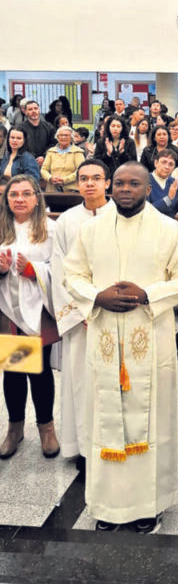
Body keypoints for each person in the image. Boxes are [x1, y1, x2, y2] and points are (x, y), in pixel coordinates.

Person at [63, 163, 178, 534]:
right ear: (110, 186)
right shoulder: (91, 231)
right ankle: (106, 507)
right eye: (119, 183)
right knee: (104, 419)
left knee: (152, 421)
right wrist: (96, 296)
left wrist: (148, 294)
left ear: (146, 187)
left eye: (133, 183)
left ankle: (147, 507)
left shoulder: (167, 230)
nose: (125, 189)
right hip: (104, 336)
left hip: (149, 338)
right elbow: (72, 275)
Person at [52, 159, 111, 472]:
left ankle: (111, 443)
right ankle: (83, 446)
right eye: (84, 178)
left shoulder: (120, 216)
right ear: (77, 183)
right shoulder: (67, 221)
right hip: (79, 319)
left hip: (113, 316)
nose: (90, 184)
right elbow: (60, 269)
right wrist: (80, 310)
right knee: (81, 384)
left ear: (107, 183)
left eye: (96, 178)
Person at [0, 175, 60, 460]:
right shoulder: (1, 227)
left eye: (26, 194)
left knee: (39, 369)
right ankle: (14, 428)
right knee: (13, 369)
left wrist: (31, 270)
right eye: (14, 195)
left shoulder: (50, 228)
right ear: (7, 199)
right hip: (9, 310)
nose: (20, 199)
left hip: (39, 310)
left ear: (37, 198)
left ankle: (46, 428)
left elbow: (60, 268)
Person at [41, 125, 85, 193]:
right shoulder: (51, 152)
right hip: (52, 191)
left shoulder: (78, 152)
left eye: (66, 135)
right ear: (57, 137)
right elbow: (44, 170)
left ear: (71, 138)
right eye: (61, 135)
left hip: (72, 191)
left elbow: (80, 171)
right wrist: (50, 178)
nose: (63, 137)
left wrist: (64, 180)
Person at [94, 116, 138, 180]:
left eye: (118, 126)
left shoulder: (129, 142)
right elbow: (96, 163)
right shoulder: (101, 142)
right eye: (113, 126)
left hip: (125, 176)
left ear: (122, 128)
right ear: (108, 127)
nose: (115, 129)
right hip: (106, 177)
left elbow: (133, 163)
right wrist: (108, 154)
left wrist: (122, 152)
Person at [148, 151, 178, 218]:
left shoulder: (174, 182)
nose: (167, 167)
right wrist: (168, 199)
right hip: (151, 225)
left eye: (171, 164)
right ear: (156, 163)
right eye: (163, 162)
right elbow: (146, 211)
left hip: (170, 226)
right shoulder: (144, 181)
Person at [21, 100, 53, 168]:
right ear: (26, 112)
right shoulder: (20, 128)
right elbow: (20, 145)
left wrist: (44, 157)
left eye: (35, 108)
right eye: (30, 109)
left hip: (46, 162)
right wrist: (31, 158)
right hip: (26, 163)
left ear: (39, 110)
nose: (33, 111)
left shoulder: (49, 127)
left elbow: (53, 144)